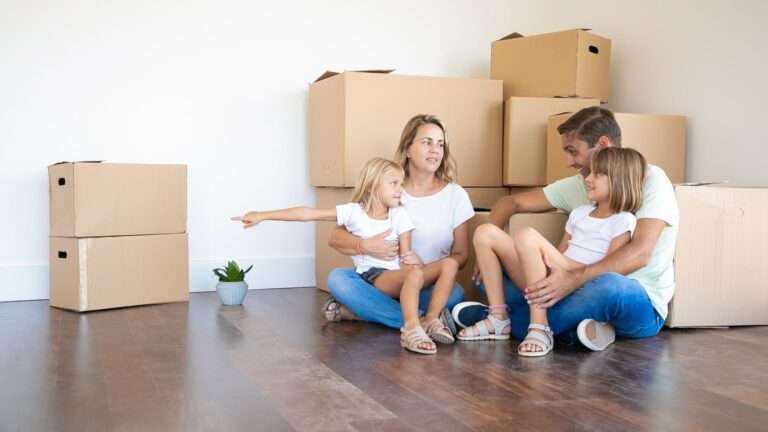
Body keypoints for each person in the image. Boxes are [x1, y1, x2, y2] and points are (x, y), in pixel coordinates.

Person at [454, 107, 678, 352]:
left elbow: (640, 254)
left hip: (632, 296)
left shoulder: (651, 180)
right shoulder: (581, 188)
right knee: (489, 275)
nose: (568, 162)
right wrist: (487, 261)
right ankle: (563, 326)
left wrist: (572, 280)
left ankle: (515, 321)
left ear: (602, 144)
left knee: (610, 286)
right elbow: (511, 202)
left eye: (573, 151)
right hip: (569, 284)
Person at [232, 157, 458, 355]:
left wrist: (415, 264)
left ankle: (430, 319)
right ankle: (412, 327)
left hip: (401, 276)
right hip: (375, 276)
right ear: (373, 186)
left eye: (401, 183)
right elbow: (307, 214)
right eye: (393, 183)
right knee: (411, 276)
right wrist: (262, 215)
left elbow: (406, 258)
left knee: (448, 265)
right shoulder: (354, 212)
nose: (400, 189)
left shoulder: (399, 214)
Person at [458, 147, 646, 357]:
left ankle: (540, 327)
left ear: (619, 180)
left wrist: (566, 272)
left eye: (598, 174)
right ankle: (498, 318)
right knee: (485, 232)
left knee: (527, 235)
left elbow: (607, 272)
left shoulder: (623, 220)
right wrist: (549, 269)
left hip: (580, 284)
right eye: (591, 172)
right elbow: (559, 255)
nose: (588, 178)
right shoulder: (579, 213)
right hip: (556, 279)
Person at [326, 114, 474, 335]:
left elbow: (461, 255)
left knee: (455, 294)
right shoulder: (390, 187)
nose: (435, 150)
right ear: (408, 149)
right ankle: (422, 321)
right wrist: (365, 245)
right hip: (382, 282)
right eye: (427, 142)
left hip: (425, 283)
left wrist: (425, 267)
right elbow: (335, 238)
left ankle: (363, 312)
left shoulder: (456, 195)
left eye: (440, 144)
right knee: (338, 279)